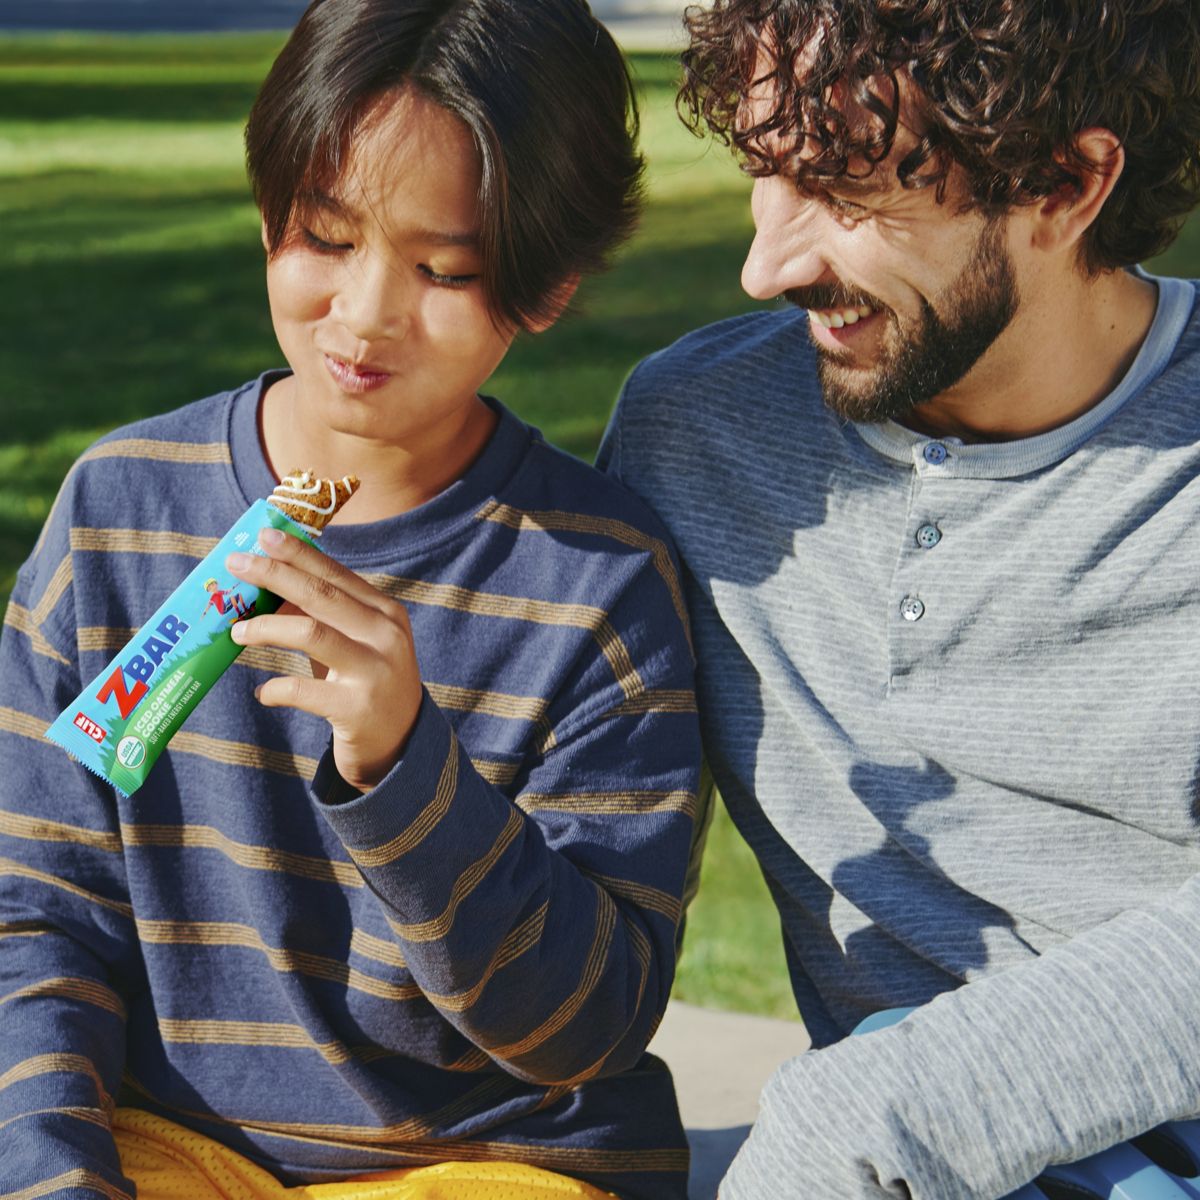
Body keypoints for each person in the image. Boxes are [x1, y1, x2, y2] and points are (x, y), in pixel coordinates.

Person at [0, 2, 701, 1197]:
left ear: (549, 285)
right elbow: (34, 916)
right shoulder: (124, 512)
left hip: (489, 1157)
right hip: (182, 1150)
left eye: (445, 270)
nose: (364, 314)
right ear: (271, 210)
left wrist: (404, 768)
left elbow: (589, 1027)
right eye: (325, 237)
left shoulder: (601, 583)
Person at [598, 0, 1200, 1195]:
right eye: (769, 171)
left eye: (850, 189)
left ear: (1071, 186)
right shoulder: (693, 437)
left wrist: (878, 1109)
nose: (766, 262)